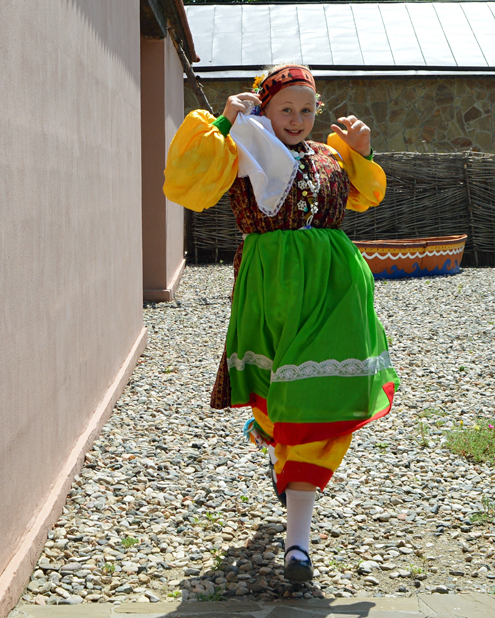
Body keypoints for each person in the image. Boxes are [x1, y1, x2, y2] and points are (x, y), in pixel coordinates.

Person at [163, 64, 397, 584]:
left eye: (307, 109)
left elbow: (365, 194)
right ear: (265, 110)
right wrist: (223, 123)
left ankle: (298, 542)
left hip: (336, 289)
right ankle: (278, 451)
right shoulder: (245, 148)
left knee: (317, 403)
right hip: (271, 289)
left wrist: (364, 150)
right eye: (285, 109)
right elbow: (187, 184)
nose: (297, 119)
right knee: (282, 396)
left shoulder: (329, 156)